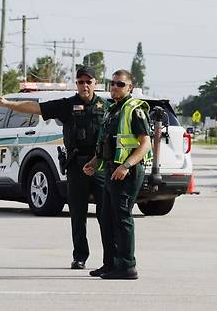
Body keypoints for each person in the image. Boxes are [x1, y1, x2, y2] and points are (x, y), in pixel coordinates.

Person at [0, 67, 112, 271]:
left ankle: (110, 259)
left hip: (99, 165)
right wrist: (7, 103)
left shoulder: (106, 107)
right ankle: (80, 256)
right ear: (76, 84)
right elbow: (36, 108)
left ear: (95, 84)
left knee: (105, 215)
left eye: (88, 82)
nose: (85, 85)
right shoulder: (67, 105)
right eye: (81, 82)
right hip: (76, 165)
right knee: (77, 214)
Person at [83, 69, 152, 280]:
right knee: (106, 217)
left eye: (120, 84)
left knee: (122, 217)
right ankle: (111, 263)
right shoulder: (112, 110)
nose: (115, 87)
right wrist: (94, 162)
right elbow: (108, 143)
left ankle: (127, 266)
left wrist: (127, 166)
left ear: (130, 87)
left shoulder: (134, 109)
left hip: (127, 173)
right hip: (111, 170)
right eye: (112, 83)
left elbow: (145, 144)